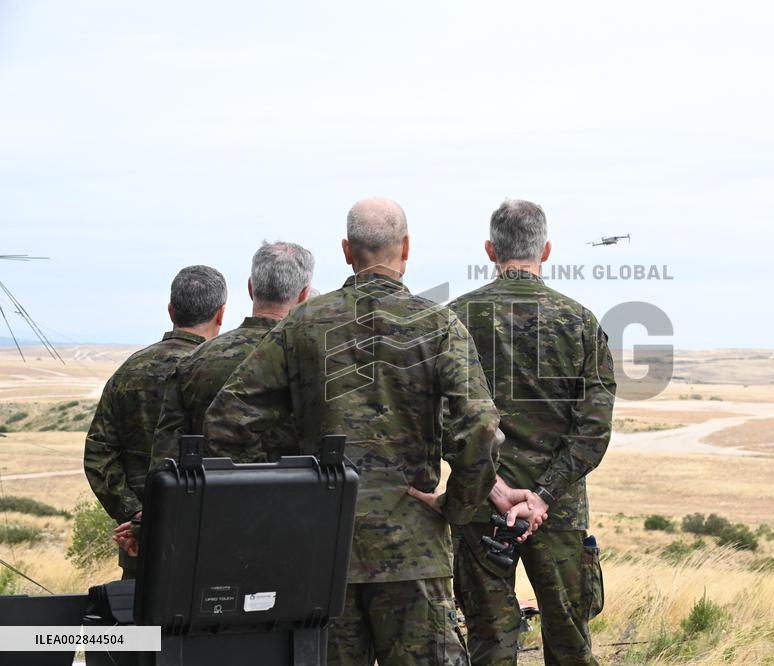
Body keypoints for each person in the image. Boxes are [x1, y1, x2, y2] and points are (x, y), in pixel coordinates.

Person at [204, 198, 517, 665]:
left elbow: (227, 421)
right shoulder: (437, 325)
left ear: (347, 251)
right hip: (413, 554)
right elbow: (482, 431)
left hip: (323, 555)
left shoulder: (304, 325)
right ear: (406, 247)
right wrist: (457, 506)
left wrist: (286, 500)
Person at [446, 200, 616, 665]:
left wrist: (494, 485)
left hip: (483, 507)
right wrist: (542, 494)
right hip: (557, 513)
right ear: (546, 249)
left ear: (489, 249)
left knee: (491, 643)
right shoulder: (580, 323)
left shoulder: (453, 319)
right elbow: (594, 429)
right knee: (570, 645)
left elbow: (439, 415)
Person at [84, 264, 227, 578]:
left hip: (141, 544)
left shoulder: (128, 372)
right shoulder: (225, 375)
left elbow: (99, 454)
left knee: (139, 624)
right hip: (209, 542)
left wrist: (137, 515)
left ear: (171, 310)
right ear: (221, 314)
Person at [149, 241, 314, 466]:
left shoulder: (195, 361)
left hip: (211, 498)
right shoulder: (317, 362)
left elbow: (166, 460)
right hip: (300, 498)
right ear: (305, 294)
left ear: (250, 288)